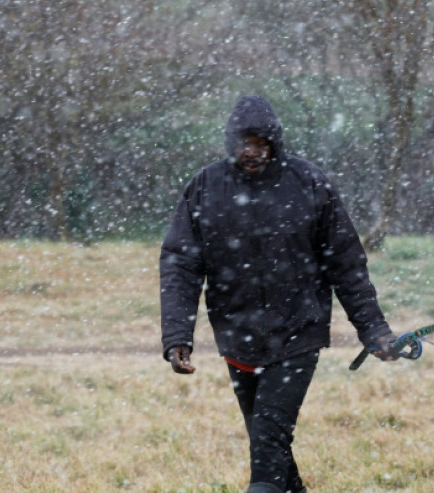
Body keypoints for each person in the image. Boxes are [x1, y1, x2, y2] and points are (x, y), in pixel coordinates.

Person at [159, 95, 399, 493]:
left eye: (260, 142)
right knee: (268, 444)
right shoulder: (205, 187)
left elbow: (346, 264)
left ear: (275, 143)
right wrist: (177, 336)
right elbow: (180, 265)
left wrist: (374, 330)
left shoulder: (309, 183)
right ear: (229, 142)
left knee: (268, 446)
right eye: (243, 142)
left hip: (297, 333)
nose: (251, 152)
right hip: (236, 336)